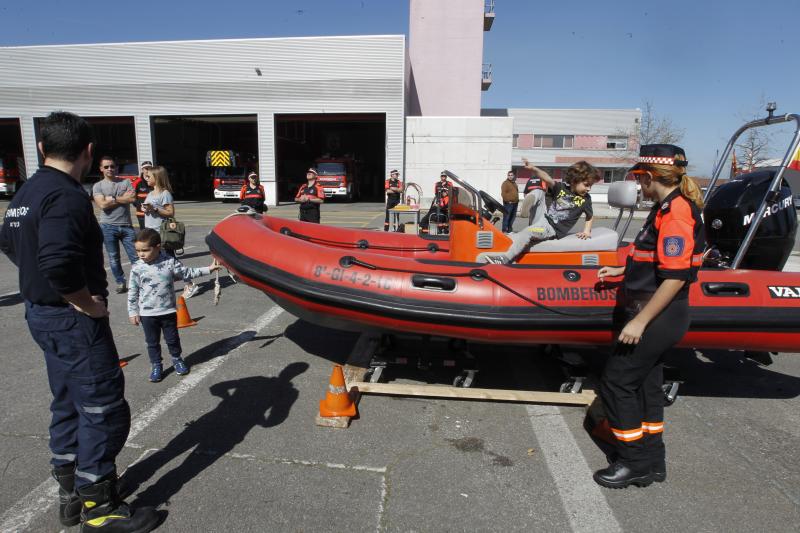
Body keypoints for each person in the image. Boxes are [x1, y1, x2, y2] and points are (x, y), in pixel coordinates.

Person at [0, 111, 158, 531]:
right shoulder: (67, 195)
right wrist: (85, 302)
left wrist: (42, 280)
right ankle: (100, 507)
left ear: (40, 148)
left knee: (68, 400)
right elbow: (56, 262)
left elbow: (10, 243)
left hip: (42, 316)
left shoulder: (26, 192)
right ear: (89, 152)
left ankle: (70, 493)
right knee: (103, 408)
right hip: (70, 320)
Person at [593, 144, 705, 489]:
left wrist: (640, 321)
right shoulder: (665, 209)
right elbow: (649, 257)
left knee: (616, 382)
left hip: (657, 314)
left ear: (649, 176)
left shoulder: (676, 213)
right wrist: (620, 268)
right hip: (658, 312)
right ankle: (654, 460)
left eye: (639, 178)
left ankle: (634, 462)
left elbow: (674, 277)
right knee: (646, 386)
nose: (638, 185)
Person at [128, 229, 220, 382]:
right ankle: (156, 365)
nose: (141, 254)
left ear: (158, 247)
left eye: (145, 250)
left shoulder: (169, 262)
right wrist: (132, 312)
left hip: (168, 311)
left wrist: (208, 269)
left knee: (172, 339)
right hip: (147, 314)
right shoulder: (137, 267)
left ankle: (177, 359)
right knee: (152, 342)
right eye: (138, 250)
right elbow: (133, 291)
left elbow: (187, 273)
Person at [478, 158, 598, 264]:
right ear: (574, 180)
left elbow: (590, 216)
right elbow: (547, 178)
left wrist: (587, 231)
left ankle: (505, 259)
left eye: (590, 186)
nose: (588, 189)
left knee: (527, 232)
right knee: (516, 235)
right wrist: (533, 168)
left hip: (552, 229)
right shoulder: (561, 188)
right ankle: (514, 257)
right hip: (544, 219)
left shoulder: (586, 199)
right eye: (586, 185)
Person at [142, 166, 198, 299]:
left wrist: (154, 208)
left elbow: (170, 212)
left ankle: (190, 284)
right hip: (151, 232)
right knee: (156, 261)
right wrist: (146, 209)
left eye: (149, 176)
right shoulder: (150, 194)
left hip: (160, 234)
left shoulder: (165, 194)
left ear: (157, 178)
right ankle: (161, 285)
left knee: (170, 261)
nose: (146, 178)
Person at [92, 155, 138, 294]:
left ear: (117, 167)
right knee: (113, 257)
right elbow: (102, 204)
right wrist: (122, 199)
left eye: (112, 166)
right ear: (101, 169)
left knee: (135, 257)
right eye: (106, 167)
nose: (110, 169)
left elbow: (132, 198)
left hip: (126, 225)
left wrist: (111, 198)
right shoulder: (98, 186)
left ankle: (139, 281)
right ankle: (120, 282)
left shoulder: (126, 183)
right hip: (108, 226)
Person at [131, 161, 153, 230]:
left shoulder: (155, 180)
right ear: (142, 170)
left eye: (150, 168)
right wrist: (139, 205)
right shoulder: (137, 182)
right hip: (141, 214)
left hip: (154, 213)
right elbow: (132, 198)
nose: (148, 170)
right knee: (144, 234)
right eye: (146, 168)